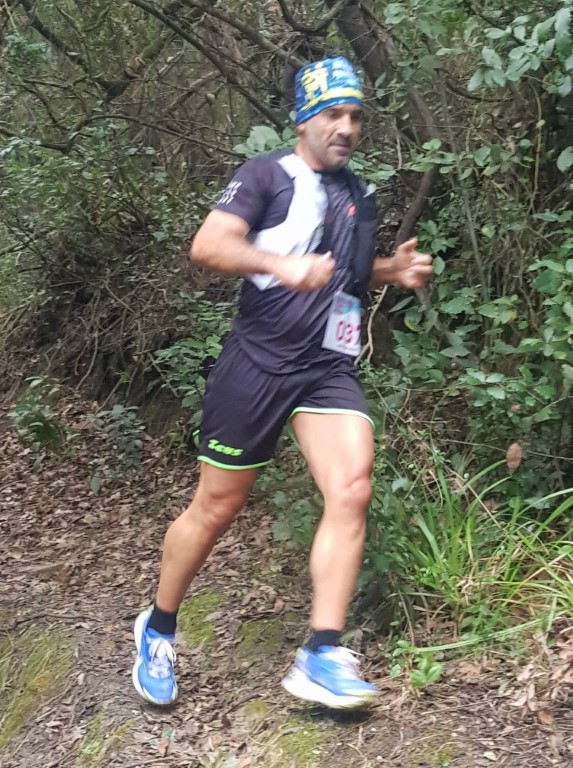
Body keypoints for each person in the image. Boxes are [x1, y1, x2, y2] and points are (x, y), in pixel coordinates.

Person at [132, 56, 432, 710]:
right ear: (303, 119)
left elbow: (347, 274)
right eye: (332, 114)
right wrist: (280, 264)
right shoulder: (266, 175)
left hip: (325, 367)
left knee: (351, 487)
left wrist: (391, 271)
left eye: (355, 116)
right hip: (258, 364)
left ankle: (321, 654)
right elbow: (209, 245)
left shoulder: (359, 193)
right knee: (216, 507)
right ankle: (158, 627)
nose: (346, 127)